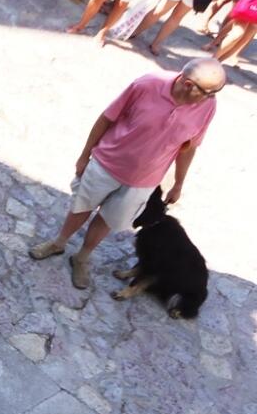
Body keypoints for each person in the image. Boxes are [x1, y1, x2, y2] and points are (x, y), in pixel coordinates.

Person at [29, 58, 226, 290]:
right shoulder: (147, 85)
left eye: (214, 93)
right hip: (107, 163)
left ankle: (82, 257)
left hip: (144, 181)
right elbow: (106, 118)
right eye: (208, 93)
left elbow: (189, 147)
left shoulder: (208, 106)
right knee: (81, 207)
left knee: (108, 219)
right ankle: (58, 243)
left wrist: (178, 183)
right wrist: (84, 156)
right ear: (188, 83)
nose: (211, 98)